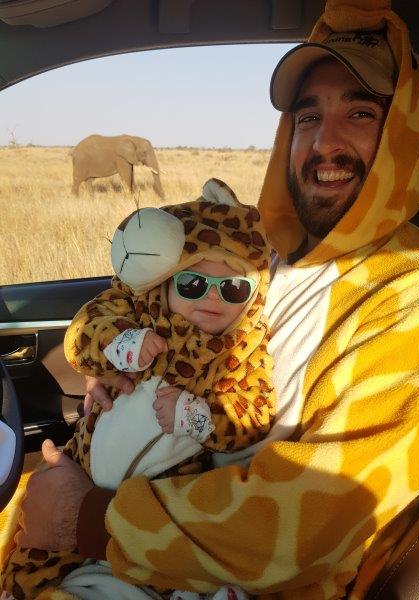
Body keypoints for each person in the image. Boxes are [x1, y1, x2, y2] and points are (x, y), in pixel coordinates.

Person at [3, 1, 419, 599]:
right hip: (139, 526)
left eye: (361, 113)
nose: (325, 143)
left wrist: (87, 520)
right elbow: (129, 312)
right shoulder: (259, 254)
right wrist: (120, 369)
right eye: (308, 115)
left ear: (406, 133)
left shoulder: (418, 297)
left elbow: (305, 526)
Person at [0, 178, 275, 600]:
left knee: (160, 580)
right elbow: (84, 331)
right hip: (86, 467)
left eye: (235, 288)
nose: (214, 299)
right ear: (165, 282)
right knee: (30, 565)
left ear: (253, 297)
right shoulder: (139, 311)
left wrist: (197, 417)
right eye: (193, 284)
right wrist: (119, 345)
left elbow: (252, 415)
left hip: (157, 496)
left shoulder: (241, 350)